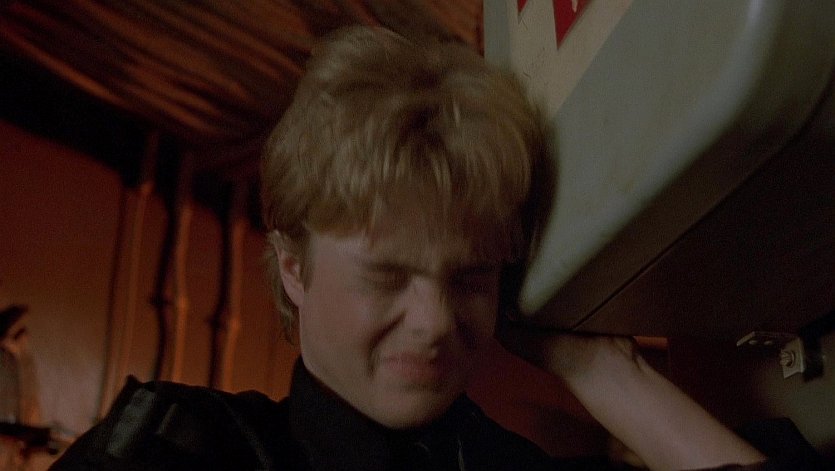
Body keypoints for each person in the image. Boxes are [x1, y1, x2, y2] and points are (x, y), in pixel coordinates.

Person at [51, 26, 825, 470]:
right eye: (386, 273)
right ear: (293, 266)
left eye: (470, 275)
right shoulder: (180, 453)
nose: (433, 321)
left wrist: (601, 370)